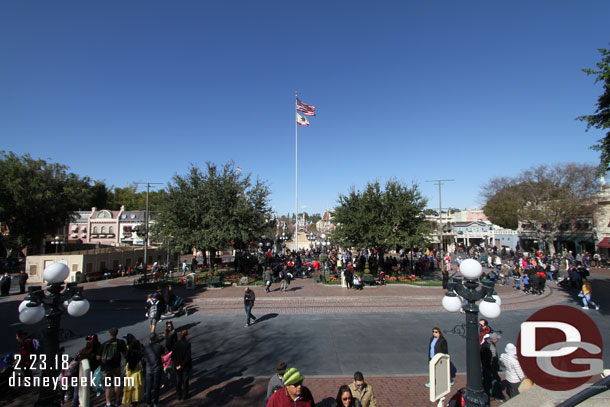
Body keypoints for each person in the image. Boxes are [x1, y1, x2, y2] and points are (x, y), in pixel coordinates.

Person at [100, 327, 127, 407]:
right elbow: (125, 354)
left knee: (108, 386)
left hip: (105, 368)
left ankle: (108, 402)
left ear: (109, 334)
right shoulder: (120, 342)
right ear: (117, 333)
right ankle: (117, 400)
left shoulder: (104, 344)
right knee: (117, 383)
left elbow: (98, 357)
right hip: (116, 366)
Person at [481, 332, 505, 402]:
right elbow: (493, 359)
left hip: (486, 367)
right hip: (490, 368)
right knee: (495, 381)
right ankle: (497, 396)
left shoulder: (485, 344)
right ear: (493, 339)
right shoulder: (491, 347)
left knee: (488, 381)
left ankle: (488, 394)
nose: (497, 340)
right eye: (497, 338)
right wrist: (495, 367)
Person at [122, 333, 144, 406]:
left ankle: (130, 398)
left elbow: (127, 358)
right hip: (137, 367)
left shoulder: (129, 349)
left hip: (131, 368)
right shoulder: (138, 346)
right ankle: (137, 398)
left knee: (130, 384)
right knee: (137, 383)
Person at [144, 333, 164, 407]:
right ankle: (156, 402)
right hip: (156, 369)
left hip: (149, 369)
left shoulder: (146, 347)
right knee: (156, 386)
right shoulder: (159, 346)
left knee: (148, 387)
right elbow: (163, 352)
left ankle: (148, 403)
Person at [172, 330, 192, 400]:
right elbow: (188, 357)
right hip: (185, 366)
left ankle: (178, 395)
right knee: (185, 381)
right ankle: (185, 395)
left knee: (178, 380)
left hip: (177, 366)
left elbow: (173, 356)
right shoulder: (187, 344)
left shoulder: (176, 344)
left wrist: (177, 364)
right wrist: (182, 365)